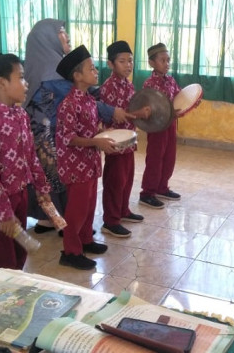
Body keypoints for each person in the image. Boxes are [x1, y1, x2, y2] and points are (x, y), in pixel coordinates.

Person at [23, 19, 134, 234]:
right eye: (62, 33)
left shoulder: (53, 63)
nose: (67, 36)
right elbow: (82, 98)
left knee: (54, 181)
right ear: (47, 38)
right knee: (55, 180)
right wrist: (111, 111)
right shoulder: (51, 71)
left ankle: (53, 221)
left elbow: (87, 95)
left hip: (57, 133)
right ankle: (67, 226)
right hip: (51, 137)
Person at [0, 48, 52, 274]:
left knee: (17, 255)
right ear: (2, 83)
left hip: (20, 194)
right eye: (21, 77)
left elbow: (30, 156)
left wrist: (41, 186)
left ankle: (12, 302)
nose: (26, 83)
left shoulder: (21, 115)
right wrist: (4, 212)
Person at [56, 45, 116, 270]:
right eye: (91, 68)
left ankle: (85, 240)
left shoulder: (89, 100)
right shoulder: (68, 104)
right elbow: (68, 138)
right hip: (75, 165)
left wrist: (102, 136)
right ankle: (70, 251)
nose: (96, 71)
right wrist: (95, 141)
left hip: (89, 163)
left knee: (90, 204)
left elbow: (91, 131)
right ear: (77, 76)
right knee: (77, 209)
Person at [99, 41, 144, 238]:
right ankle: (111, 220)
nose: (128, 65)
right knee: (114, 181)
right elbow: (115, 116)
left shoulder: (128, 84)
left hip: (129, 143)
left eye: (130, 61)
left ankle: (123, 210)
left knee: (126, 179)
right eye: (122, 61)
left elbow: (128, 110)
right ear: (110, 64)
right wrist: (137, 114)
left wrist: (141, 113)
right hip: (115, 144)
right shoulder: (108, 87)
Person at [139, 43, 182, 209]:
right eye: (162, 60)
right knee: (155, 159)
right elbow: (148, 108)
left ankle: (162, 187)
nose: (167, 63)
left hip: (170, 125)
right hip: (156, 128)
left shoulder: (170, 80)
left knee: (169, 157)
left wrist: (188, 102)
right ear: (151, 63)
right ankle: (147, 193)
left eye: (168, 60)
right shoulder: (149, 84)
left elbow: (179, 97)